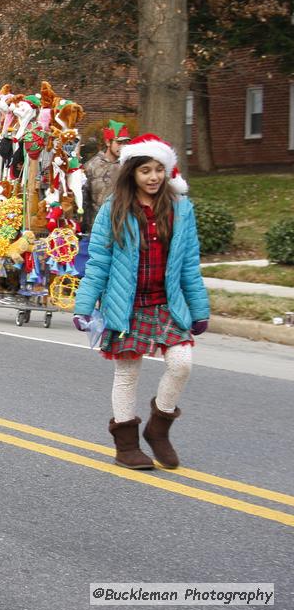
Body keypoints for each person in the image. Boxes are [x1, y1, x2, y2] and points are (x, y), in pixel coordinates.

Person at [73, 134, 210, 470]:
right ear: (132, 171)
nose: (153, 177)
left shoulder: (180, 209)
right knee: (127, 374)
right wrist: (84, 305)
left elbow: (190, 264)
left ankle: (158, 428)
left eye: (159, 170)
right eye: (145, 170)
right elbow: (98, 263)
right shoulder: (113, 210)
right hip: (126, 305)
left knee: (182, 363)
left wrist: (200, 309)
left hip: (167, 304)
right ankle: (126, 445)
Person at [82, 119, 131, 232]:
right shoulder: (91, 166)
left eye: (126, 143)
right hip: (97, 228)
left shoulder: (129, 167)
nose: (123, 146)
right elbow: (84, 201)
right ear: (108, 142)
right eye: (119, 143)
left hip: (123, 227)